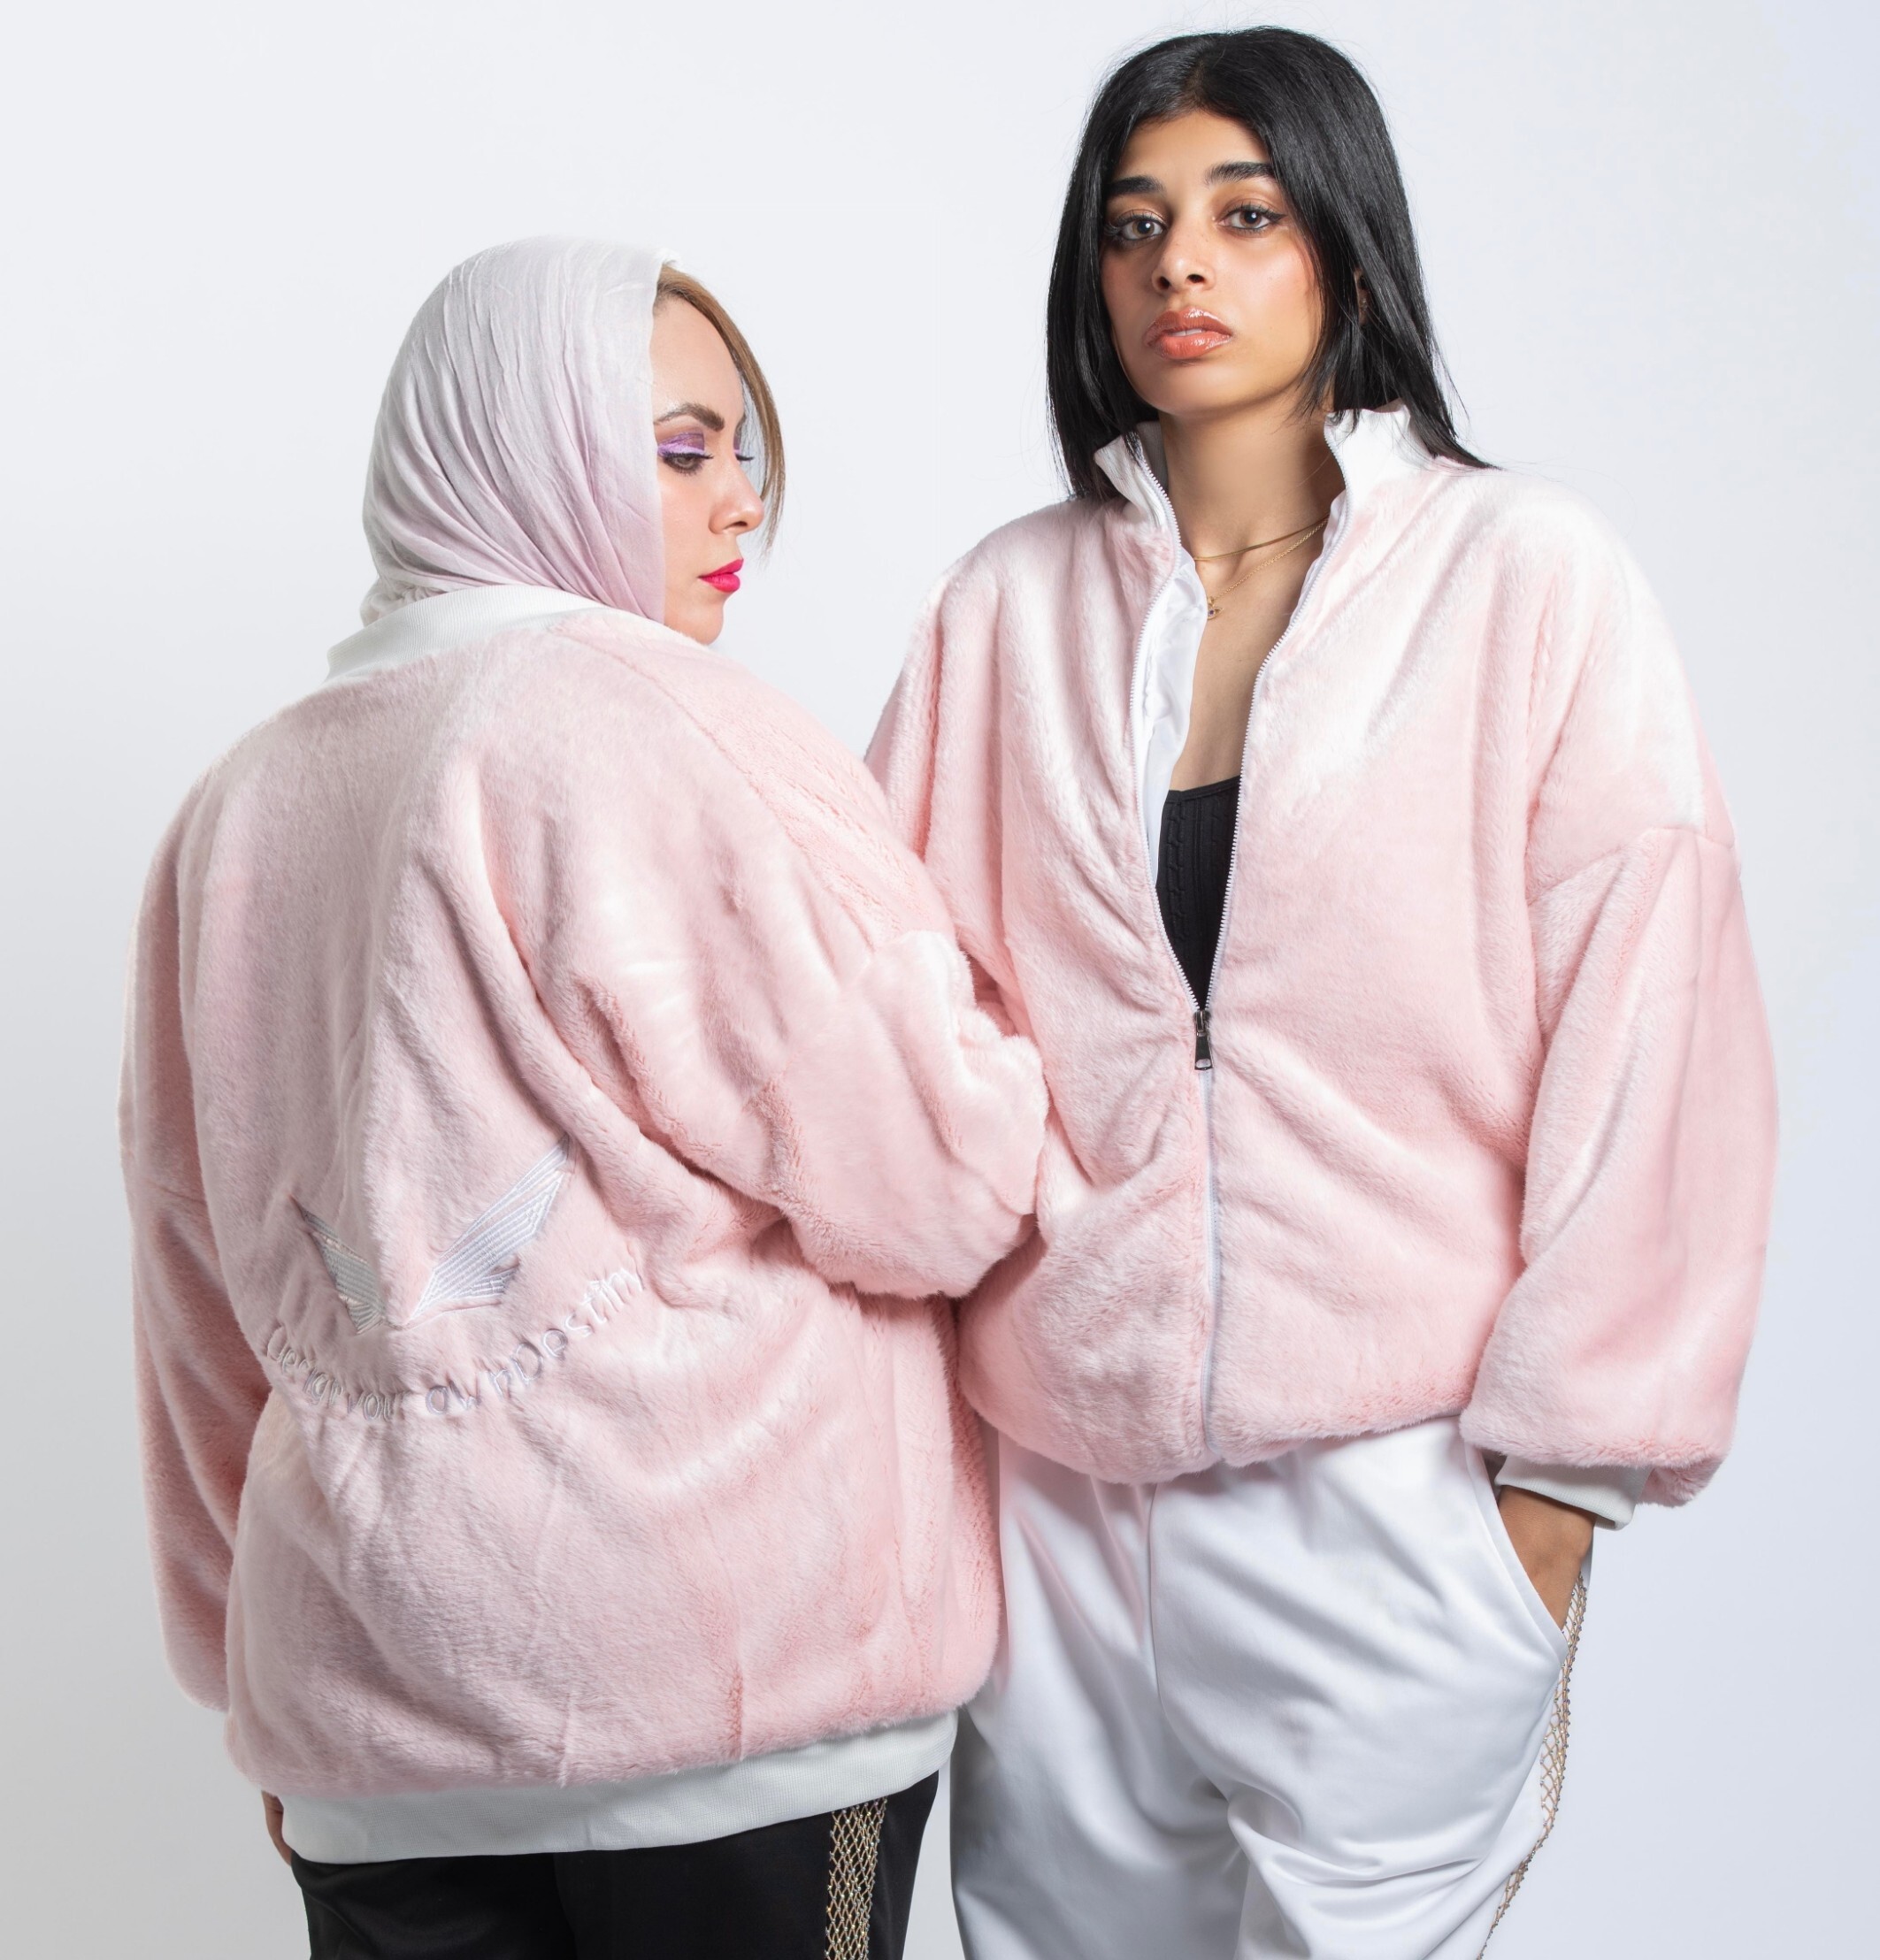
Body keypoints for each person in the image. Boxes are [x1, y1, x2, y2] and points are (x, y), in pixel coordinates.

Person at [869, 29, 1777, 1960]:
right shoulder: (1001, 609)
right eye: (1134, 226)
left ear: (1344, 254)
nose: (1178, 265)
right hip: (1057, 1499)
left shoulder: (1524, 577)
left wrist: (1559, 1487)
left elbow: (1652, 1016)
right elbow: (891, 1028)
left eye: (1244, 214)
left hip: (1393, 1488)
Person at [121, 236, 1046, 1960]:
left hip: (368, 1725)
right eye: (682, 451)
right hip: (733, 1699)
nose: (740, 502)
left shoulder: (230, 811)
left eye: (742, 450)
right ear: (525, 447)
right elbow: (941, 1182)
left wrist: (248, 1663)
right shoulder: (655, 721)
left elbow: (198, 1291)